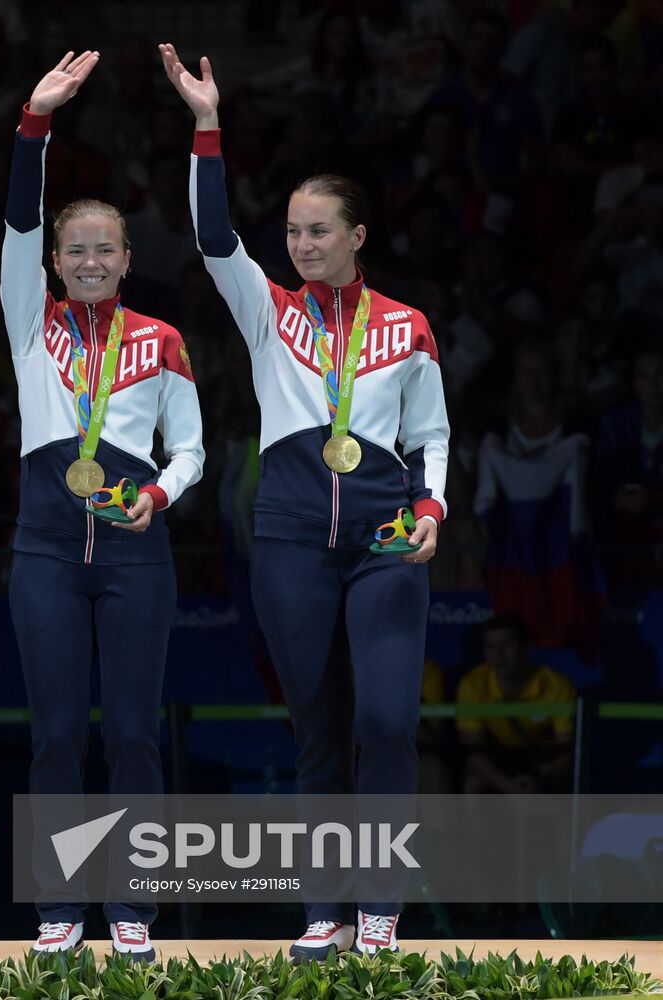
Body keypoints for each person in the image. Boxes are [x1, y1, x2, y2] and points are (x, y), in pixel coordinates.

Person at [161, 43, 450, 959]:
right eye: (291, 231)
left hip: (386, 534)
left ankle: (382, 905)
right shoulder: (267, 311)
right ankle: (325, 909)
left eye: (317, 231)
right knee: (316, 729)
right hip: (287, 538)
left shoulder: (406, 326)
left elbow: (431, 438)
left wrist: (434, 511)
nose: (300, 244)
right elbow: (213, 239)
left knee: (386, 722)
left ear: (357, 236)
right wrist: (206, 126)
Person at [1, 50, 205, 962]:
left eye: (103, 250)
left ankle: (132, 909)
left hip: (132, 554)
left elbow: (194, 448)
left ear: (126, 260)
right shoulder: (29, 322)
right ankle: (56, 905)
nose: (87, 261)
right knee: (53, 736)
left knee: (129, 733)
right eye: (72, 250)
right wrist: (33, 124)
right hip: (44, 548)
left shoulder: (160, 340)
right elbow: (11, 223)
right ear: (52, 262)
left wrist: (159, 493)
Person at [457, 613, 574, 794]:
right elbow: (474, 752)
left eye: (507, 645)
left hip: (542, 762)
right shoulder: (472, 685)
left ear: (526, 648)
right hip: (500, 759)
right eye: (491, 647)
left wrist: (542, 779)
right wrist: (509, 786)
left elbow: (566, 753)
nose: (498, 655)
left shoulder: (557, 686)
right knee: (474, 779)